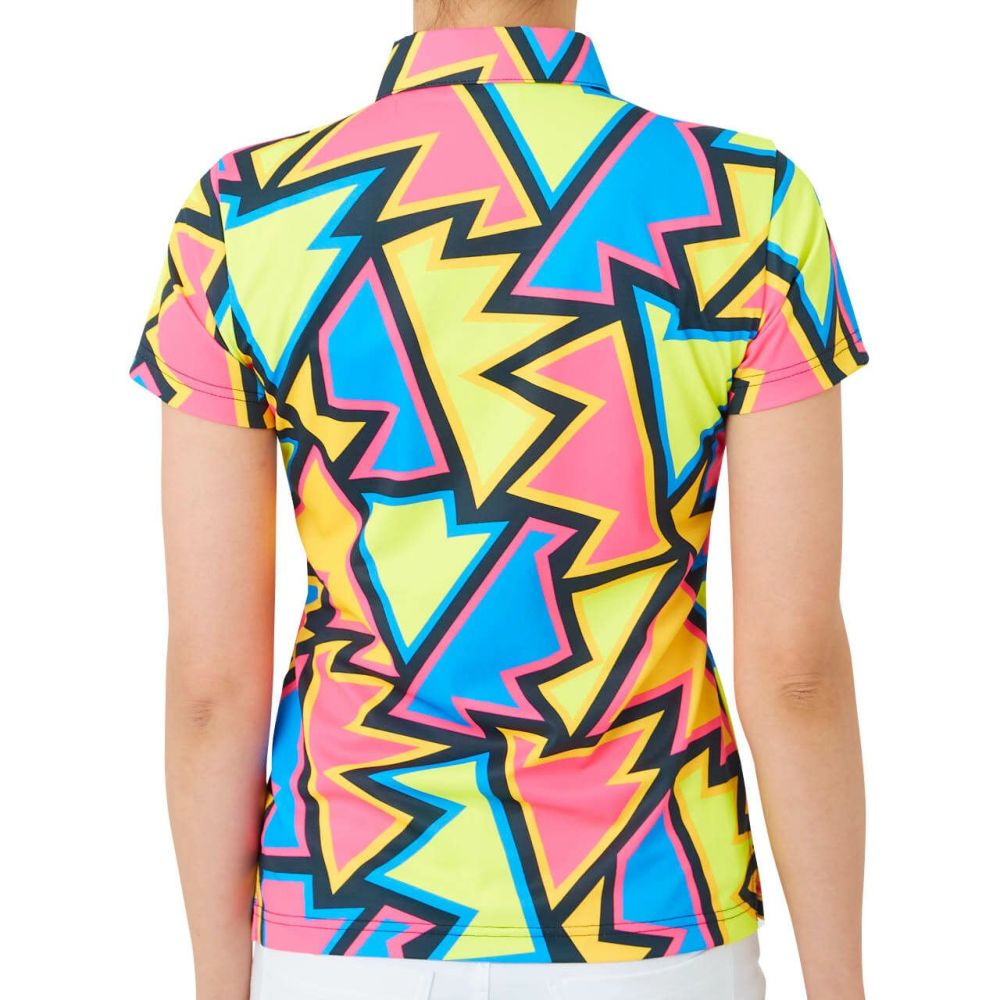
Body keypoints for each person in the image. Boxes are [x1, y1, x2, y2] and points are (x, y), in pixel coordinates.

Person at [127, 0, 870, 997]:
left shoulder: (242, 214)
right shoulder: (747, 202)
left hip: (347, 917)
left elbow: (211, 687)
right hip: (652, 912)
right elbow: (795, 671)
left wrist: (227, 982)